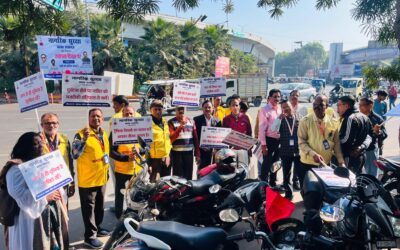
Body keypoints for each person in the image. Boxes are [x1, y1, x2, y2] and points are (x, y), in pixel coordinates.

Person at [3, 132, 68, 250]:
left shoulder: (42, 162)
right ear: (25, 147)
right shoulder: (16, 169)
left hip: (49, 214)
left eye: (40, 143)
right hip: (28, 219)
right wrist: (45, 197)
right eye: (35, 144)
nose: (40, 146)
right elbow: (17, 193)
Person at [297, 95, 345, 234]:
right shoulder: (305, 121)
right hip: (308, 165)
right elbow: (302, 142)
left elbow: (336, 145)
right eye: (315, 106)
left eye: (321, 105)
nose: (317, 108)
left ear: (327, 106)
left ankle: (327, 227)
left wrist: (341, 162)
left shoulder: (333, 123)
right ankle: (311, 231)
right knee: (311, 200)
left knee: (326, 197)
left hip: (326, 167)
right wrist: (313, 154)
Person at [72, 108, 110, 249]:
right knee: (89, 210)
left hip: (101, 177)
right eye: (93, 116)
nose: (96, 119)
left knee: (100, 207)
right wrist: (84, 140)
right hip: (88, 180)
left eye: (99, 116)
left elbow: (104, 153)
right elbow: (75, 154)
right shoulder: (81, 134)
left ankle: (97, 228)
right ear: (88, 118)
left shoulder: (103, 133)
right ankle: (89, 237)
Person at [109, 106, 142, 219]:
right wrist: (126, 158)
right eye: (126, 114)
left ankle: (135, 216)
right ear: (122, 115)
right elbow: (111, 152)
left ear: (134, 115)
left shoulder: (140, 129)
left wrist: (140, 151)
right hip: (122, 169)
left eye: (131, 114)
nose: (128, 116)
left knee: (136, 194)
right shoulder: (116, 130)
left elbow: (146, 147)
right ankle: (119, 217)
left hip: (137, 170)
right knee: (120, 195)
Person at [40, 113, 75, 200]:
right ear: (41, 125)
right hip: (46, 186)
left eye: (54, 123)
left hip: (63, 182)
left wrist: (72, 182)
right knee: (50, 212)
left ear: (58, 124)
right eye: (47, 123)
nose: (51, 125)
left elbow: (70, 162)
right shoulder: (37, 140)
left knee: (64, 211)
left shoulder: (64, 138)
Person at [337, 95, 372, 174]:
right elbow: (370, 136)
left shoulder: (351, 118)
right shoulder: (364, 116)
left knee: (347, 181)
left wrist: (333, 143)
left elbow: (346, 140)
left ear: (346, 106)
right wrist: (362, 147)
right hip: (361, 156)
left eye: (339, 105)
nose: (337, 108)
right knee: (357, 181)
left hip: (350, 157)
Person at [168, 106, 200, 180]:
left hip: (189, 153)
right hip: (176, 154)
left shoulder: (191, 121)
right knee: (177, 177)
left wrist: (197, 154)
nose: (181, 110)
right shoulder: (171, 122)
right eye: (179, 109)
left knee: (188, 176)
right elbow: (171, 138)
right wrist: (180, 127)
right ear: (175, 110)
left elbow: (195, 139)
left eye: (183, 109)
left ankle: (187, 191)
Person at [258, 89, 282, 186]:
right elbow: (261, 129)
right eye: (275, 96)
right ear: (270, 97)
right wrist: (264, 145)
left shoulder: (280, 109)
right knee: (266, 164)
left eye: (278, 97)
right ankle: (263, 184)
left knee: (276, 163)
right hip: (269, 141)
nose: (277, 99)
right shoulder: (265, 110)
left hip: (279, 141)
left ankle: (273, 182)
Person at [359, 97, 387, 177]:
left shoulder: (377, 119)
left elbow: (385, 134)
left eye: (362, 105)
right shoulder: (357, 117)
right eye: (359, 105)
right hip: (358, 150)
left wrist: (378, 132)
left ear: (370, 106)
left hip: (371, 150)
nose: (360, 107)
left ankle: (372, 189)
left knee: (371, 174)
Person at [279, 100, 300, 200]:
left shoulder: (299, 117)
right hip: (285, 151)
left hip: (298, 151)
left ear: (291, 106)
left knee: (300, 173)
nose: (286, 109)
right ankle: (288, 194)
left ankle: (304, 192)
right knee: (286, 174)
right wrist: (278, 119)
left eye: (287, 106)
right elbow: (273, 130)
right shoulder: (281, 119)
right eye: (283, 107)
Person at [223, 95, 252, 163]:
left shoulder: (245, 117)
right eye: (233, 105)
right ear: (229, 107)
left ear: (239, 106)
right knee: (232, 170)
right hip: (231, 150)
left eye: (236, 105)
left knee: (243, 169)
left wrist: (250, 148)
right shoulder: (226, 119)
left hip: (244, 149)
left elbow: (249, 133)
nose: (235, 107)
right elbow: (224, 135)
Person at [193, 100, 222, 169]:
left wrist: (216, 149)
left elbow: (220, 137)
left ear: (213, 108)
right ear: (202, 108)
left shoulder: (218, 121)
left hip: (214, 152)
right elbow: (195, 137)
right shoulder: (197, 120)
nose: (207, 109)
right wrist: (197, 153)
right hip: (202, 152)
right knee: (202, 173)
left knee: (213, 172)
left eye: (209, 107)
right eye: (205, 107)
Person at [148, 100, 172, 182]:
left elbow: (167, 140)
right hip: (154, 160)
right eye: (155, 109)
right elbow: (144, 145)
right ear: (150, 110)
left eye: (160, 109)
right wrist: (148, 163)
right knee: (154, 184)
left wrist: (168, 155)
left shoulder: (165, 121)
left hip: (166, 158)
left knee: (165, 184)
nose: (158, 111)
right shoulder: (147, 123)